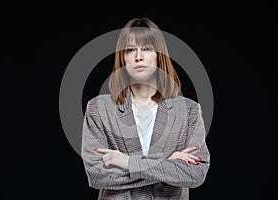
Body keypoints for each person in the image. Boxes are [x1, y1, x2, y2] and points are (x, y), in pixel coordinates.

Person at [81, 17, 210, 199]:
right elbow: (97, 175)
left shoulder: (188, 112)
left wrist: (129, 163)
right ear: (122, 58)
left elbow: (195, 174)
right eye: (130, 50)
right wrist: (166, 163)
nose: (138, 56)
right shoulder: (99, 109)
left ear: (159, 55)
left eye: (147, 49)